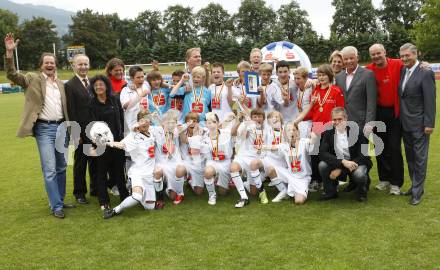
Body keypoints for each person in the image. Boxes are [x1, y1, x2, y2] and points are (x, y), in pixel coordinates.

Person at [4, 33, 73, 219]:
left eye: (52, 62)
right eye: (46, 62)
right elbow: (12, 74)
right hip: (44, 129)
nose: (50, 65)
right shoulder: (32, 79)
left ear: (55, 64)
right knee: (49, 168)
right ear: (41, 65)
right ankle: (56, 205)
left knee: (61, 167)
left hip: (61, 129)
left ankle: (60, 199)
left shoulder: (60, 83)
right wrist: (10, 54)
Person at [103, 110, 164, 219]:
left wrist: (156, 118)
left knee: (150, 207)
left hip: (149, 174)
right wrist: (106, 142)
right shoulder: (133, 136)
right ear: (137, 123)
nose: (145, 122)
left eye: (147, 120)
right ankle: (115, 210)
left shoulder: (152, 131)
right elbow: (121, 144)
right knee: (137, 197)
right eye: (142, 120)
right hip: (138, 173)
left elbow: (164, 127)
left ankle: (157, 196)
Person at [294, 64, 345, 192]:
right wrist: (299, 120)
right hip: (316, 126)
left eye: (324, 75)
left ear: (330, 76)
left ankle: (333, 182)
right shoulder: (315, 90)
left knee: (330, 154)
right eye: (319, 75)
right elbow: (313, 110)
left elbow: (340, 110)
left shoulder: (336, 91)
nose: (321, 78)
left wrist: (338, 126)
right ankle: (317, 180)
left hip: (330, 126)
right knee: (314, 154)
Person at [398, 43, 436, 205]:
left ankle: (417, 192)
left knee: (420, 159)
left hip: (420, 124)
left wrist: (429, 123)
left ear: (416, 54)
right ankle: (415, 185)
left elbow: (430, 100)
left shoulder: (425, 72)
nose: (405, 58)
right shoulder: (402, 70)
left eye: (408, 55)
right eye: (402, 56)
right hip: (405, 123)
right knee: (411, 158)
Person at [366, 44, 404, 195]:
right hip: (378, 113)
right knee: (379, 147)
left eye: (378, 53)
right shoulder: (369, 69)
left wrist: (424, 64)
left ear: (385, 52)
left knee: (394, 148)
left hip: (394, 113)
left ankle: (396, 183)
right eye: (373, 54)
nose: (376, 57)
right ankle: (384, 179)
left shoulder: (397, 64)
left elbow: (413, 64)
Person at [89, 75, 129, 210]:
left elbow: (121, 119)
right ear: (93, 88)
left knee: (119, 171)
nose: (99, 87)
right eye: (96, 85)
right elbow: (92, 126)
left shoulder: (114, 100)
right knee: (101, 173)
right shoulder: (91, 104)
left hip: (117, 142)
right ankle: (103, 201)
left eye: (101, 84)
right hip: (101, 144)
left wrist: (121, 138)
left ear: (106, 85)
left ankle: (125, 197)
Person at [318, 107, 372, 202]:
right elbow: (322, 153)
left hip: (356, 162)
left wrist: (343, 168)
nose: (337, 122)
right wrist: (342, 163)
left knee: (359, 174)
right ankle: (330, 192)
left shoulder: (357, 131)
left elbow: (365, 156)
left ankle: (361, 192)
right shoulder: (328, 132)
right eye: (334, 119)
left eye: (340, 119)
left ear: (346, 119)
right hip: (340, 162)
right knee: (322, 165)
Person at [65, 54, 97, 204]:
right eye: (80, 64)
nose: (83, 67)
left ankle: (95, 188)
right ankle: (79, 192)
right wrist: (76, 133)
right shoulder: (70, 85)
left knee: (95, 160)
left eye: (86, 64)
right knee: (80, 163)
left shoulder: (92, 82)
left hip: (94, 130)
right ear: (74, 66)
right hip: (80, 131)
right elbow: (70, 111)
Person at [230, 108, 268, 207]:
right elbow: (233, 133)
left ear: (263, 119)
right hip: (243, 157)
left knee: (253, 192)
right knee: (233, 167)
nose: (257, 119)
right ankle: (244, 197)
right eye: (254, 117)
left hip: (255, 160)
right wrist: (243, 123)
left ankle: (248, 184)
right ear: (251, 118)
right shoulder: (247, 125)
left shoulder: (267, 129)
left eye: (259, 116)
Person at [335, 46, 377, 135]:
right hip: (343, 123)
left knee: (362, 149)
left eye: (351, 58)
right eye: (346, 59)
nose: (349, 61)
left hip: (361, 123)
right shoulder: (339, 77)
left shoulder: (368, 74)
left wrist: (369, 123)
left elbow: (371, 102)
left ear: (357, 58)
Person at [201, 113, 234, 205]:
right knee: (208, 172)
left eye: (214, 122)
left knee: (223, 193)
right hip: (212, 161)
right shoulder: (204, 135)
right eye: (208, 122)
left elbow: (234, 131)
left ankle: (223, 182)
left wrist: (236, 119)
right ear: (206, 124)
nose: (211, 124)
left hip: (225, 162)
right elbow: (205, 154)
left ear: (218, 123)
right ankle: (212, 195)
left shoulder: (226, 132)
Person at [179, 112, 207, 195]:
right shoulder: (182, 131)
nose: (192, 123)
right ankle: (177, 188)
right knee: (179, 169)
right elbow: (184, 140)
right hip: (185, 162)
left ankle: (191, 181)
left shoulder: (203, 131)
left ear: (198, 122)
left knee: (199, 192)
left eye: (194, 121)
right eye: (189, 121)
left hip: (199, 163)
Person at [120, 66, 150, 133]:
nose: (141, 79)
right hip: (131, 128)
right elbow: (125, 106)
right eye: (138, 77)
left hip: (145, 127)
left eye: (142, 77)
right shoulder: (125, 90)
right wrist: (140, 96)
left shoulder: (145, 87)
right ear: (131, 78)